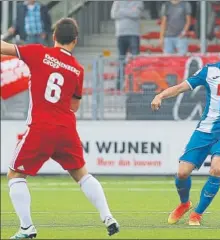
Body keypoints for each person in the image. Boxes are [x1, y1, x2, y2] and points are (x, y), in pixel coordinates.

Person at [1, 18, 119, 239]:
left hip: (41, 127)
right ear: (75, 41)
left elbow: (3, 48)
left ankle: (27, 228)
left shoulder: (37, 52)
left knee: (15, 174)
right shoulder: (77, 69)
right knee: (81, 174)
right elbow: (74, 105)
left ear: (53, 36)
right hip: (66, 128)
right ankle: (108, 216)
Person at [151, 31, 220, 226]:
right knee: (182, 173)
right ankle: (184, 204)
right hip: (205, 130)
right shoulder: (210, 71)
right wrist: (160, 96)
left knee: (216, 169)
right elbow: (180, 87)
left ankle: (197, 214)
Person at [111, 0, 144, 90]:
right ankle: (119, 85)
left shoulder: (139, 2)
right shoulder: (117, 1)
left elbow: (137, 14)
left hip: (134, 34)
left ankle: (136, 84)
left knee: (135, 61)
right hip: (120, 34)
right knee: (121, 60)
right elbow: (113, 14)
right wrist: (130, 11)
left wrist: (121, 11)